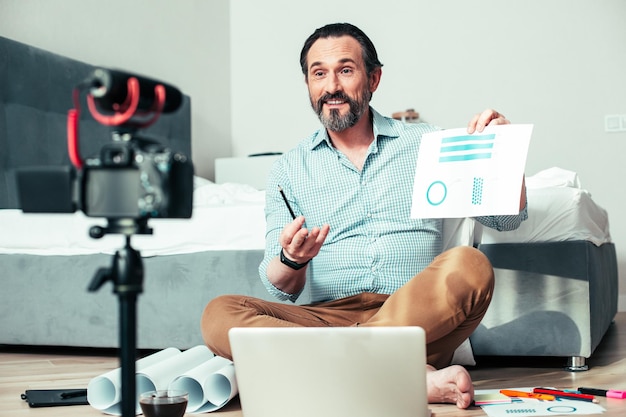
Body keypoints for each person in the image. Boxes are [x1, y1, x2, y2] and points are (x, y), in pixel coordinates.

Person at [201, 22, 527, 409]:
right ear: (307, 84)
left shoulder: (427, 144)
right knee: (218, 314)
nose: (331, 86)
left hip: (414, 317)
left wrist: (503, 153)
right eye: (318, 73)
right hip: (325, 319)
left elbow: (505, 219)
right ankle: (401, 375)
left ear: (373, 78)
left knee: (471, 265)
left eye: (346, 70)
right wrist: (293, 259)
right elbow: (280, 287)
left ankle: (345, 369)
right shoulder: (289, 169)